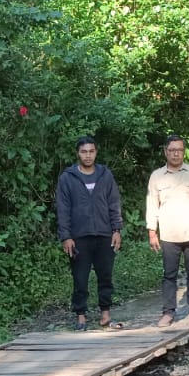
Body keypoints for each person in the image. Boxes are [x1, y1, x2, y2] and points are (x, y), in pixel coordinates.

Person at [55, 136, 123, 330]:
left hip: (104, 234)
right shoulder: (68, 178)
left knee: (105, 276)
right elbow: (63, 209)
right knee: (80, 278)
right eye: (84, 151)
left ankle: (105, 315)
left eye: (91, 151)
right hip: (79, 237)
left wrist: (116, 229)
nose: (88, 155)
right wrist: (66, 236)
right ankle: (81, 317)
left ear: (96, 152)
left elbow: (114, 203)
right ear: (78, 153)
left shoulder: (105, 175)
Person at [146, 135, 189, 327]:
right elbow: (152, 204)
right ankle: (168, 312)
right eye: (172, 150)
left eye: (180, 150)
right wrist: (152, 231)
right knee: (169, 274)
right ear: (165, 152)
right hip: (169, 235)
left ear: (184, 152)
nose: (176, 153)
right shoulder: (157, 176)